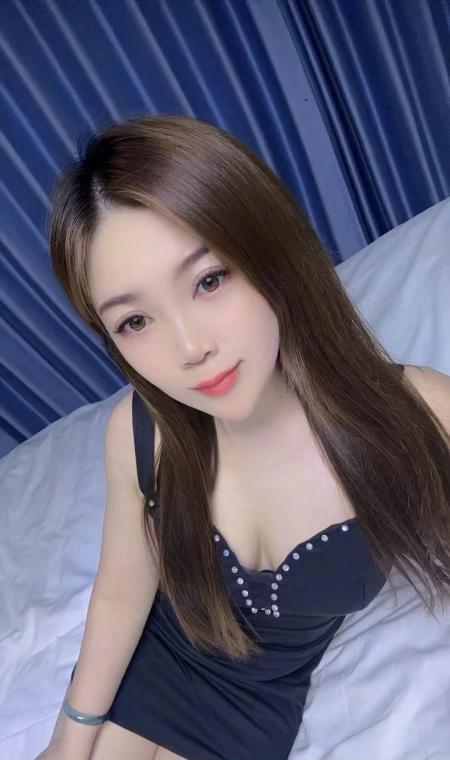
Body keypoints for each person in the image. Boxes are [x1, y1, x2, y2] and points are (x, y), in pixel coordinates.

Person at [37, 114, 450, 760]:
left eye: (209, 280)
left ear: (269, 251)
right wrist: (69, 738)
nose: (190, 347)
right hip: (153, 661)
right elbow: (120, 594)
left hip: (257, 708)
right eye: (135, 321)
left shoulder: (417, 413)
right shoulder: (143, 435)